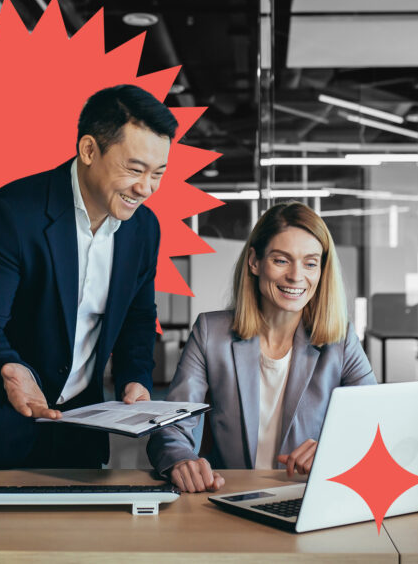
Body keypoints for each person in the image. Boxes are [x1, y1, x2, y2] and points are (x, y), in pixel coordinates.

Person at [0, 84, 177, 471]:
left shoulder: (143, 229)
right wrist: (10, 370)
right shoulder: (9, 215)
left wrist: (135, 378)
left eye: (158, 173)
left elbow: (137, 318)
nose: (146, 188)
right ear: (89, 150)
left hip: (79, 430)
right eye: (135, 169)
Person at [147, 201, 376, 492]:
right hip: (230, 498)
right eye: (281, 260)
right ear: (255, 261)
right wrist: (181, 461)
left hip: (307, 496)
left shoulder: (340, 341)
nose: (296, 276)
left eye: (310, 263)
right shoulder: (210, 333)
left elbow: (373, 424)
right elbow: (171, 425)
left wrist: (334, 450)